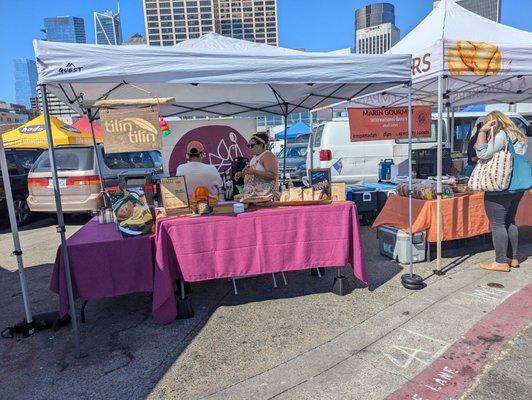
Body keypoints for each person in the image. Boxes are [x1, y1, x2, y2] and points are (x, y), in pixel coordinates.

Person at [474, 111, 528, 272]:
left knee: (497, 224)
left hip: (500, 186)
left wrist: (482, 131)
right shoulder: (519, 135)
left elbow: (482, 153)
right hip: (517, 186)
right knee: (510, 221)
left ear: (493, 123)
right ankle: (513, 258)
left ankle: (500, 261)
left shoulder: (502, 135)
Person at [235, 133, 280, 200]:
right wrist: (242, 174)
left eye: (252, 145)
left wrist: (254, 172)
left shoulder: (268, 155)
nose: (250, 148)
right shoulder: (254, 157)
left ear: (261, 145)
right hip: (255, 197)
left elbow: (272, 175)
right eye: (248, 146)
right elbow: (252, 175)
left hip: (266, 198)